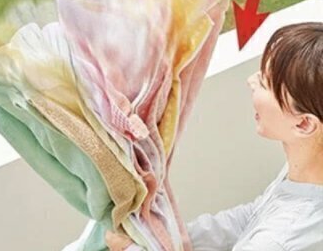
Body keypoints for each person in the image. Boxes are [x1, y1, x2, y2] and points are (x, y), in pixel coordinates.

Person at [106, 22, 323, 251]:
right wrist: (172, 238)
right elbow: (252, 216)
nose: (251, 81)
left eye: (264, 82)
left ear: (304, 124)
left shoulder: (280, 239)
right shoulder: (307, 172)